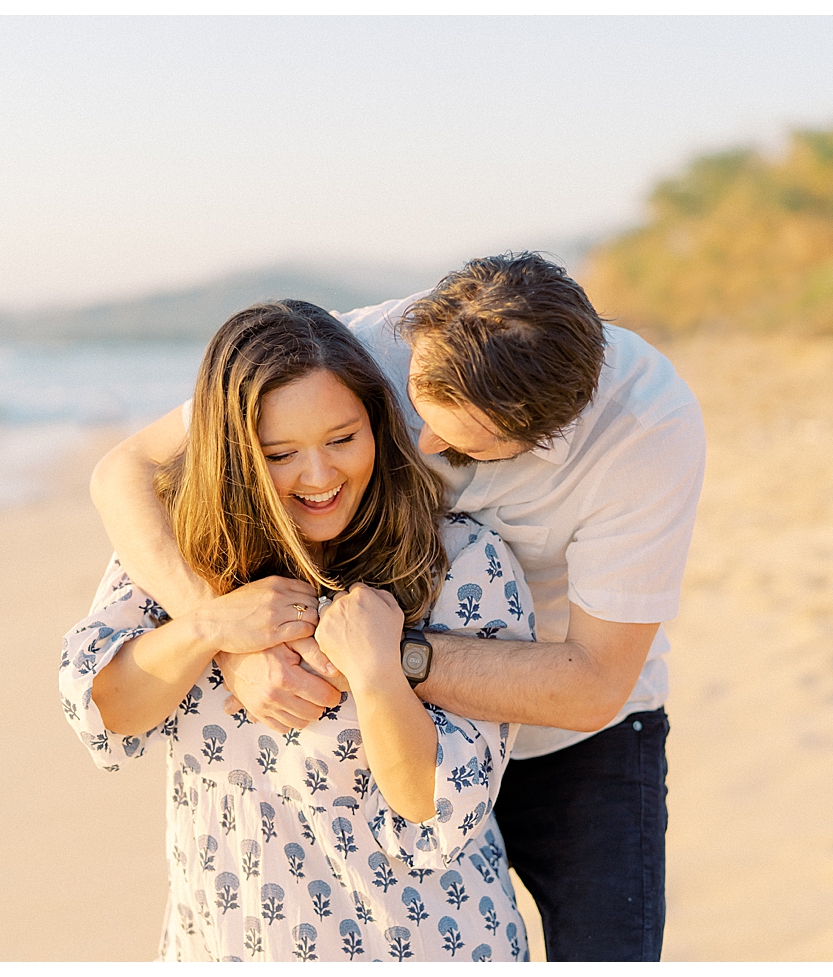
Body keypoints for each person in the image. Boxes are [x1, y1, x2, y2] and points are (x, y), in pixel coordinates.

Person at [91, 253, 706, 961]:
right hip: (389, 733)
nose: (424, 444)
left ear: (547, 434)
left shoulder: (644, 431)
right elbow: (124, 471)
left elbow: (594, 684)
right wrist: (228, 638)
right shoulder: (367, 349)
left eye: (462, 442)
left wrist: (382, 655)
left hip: (575, 739)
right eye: (418, 406)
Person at [60, 300, 536, 962]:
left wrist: (377, 673)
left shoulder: (461, 562)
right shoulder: (180, 552)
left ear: (378, 422)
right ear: (233, 452)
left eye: (343, 439)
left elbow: (433, 813)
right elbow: (105, 712)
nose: (319, 477)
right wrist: (211, 627)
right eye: (280, 453)